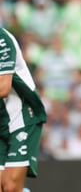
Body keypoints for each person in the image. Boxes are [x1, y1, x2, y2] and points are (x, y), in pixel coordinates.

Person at [0, 28, 47, 191]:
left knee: (10, 187)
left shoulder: (2, 39)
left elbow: (3, 87)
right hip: (1, 122)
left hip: (22, 119)